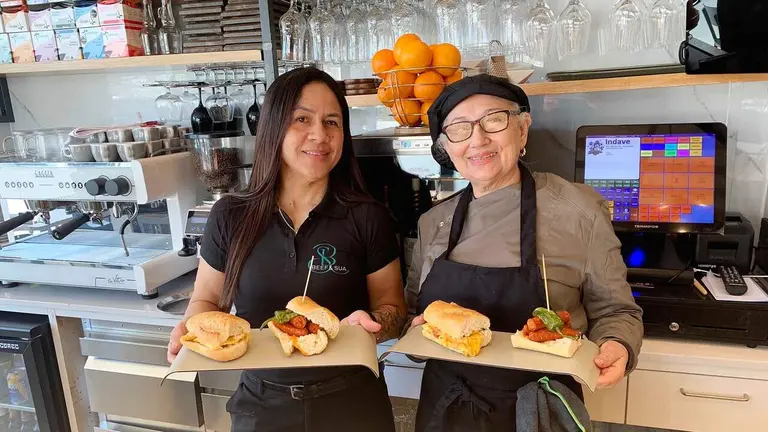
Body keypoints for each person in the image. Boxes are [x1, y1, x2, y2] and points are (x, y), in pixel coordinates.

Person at [167, 67, 406, 432]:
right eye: (301, 119)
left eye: (332, 122)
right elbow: (206, 302)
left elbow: (393, 309)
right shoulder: (231, 215)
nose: (319, 135)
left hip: (353, 404)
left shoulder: (368, 216)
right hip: (262, 406)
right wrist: (193, 327)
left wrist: (371, 327)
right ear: (274, 127)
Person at [405, 74, 643, 431]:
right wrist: (416, 332)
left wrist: (618, 345)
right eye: (459, 128)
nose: (478, 139)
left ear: (523, 129)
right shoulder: (433, 222)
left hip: (540, 409)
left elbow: (616, 310)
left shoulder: (578, 211)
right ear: (447, 148)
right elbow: (415, 315)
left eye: (494, 120)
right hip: (445, 407)